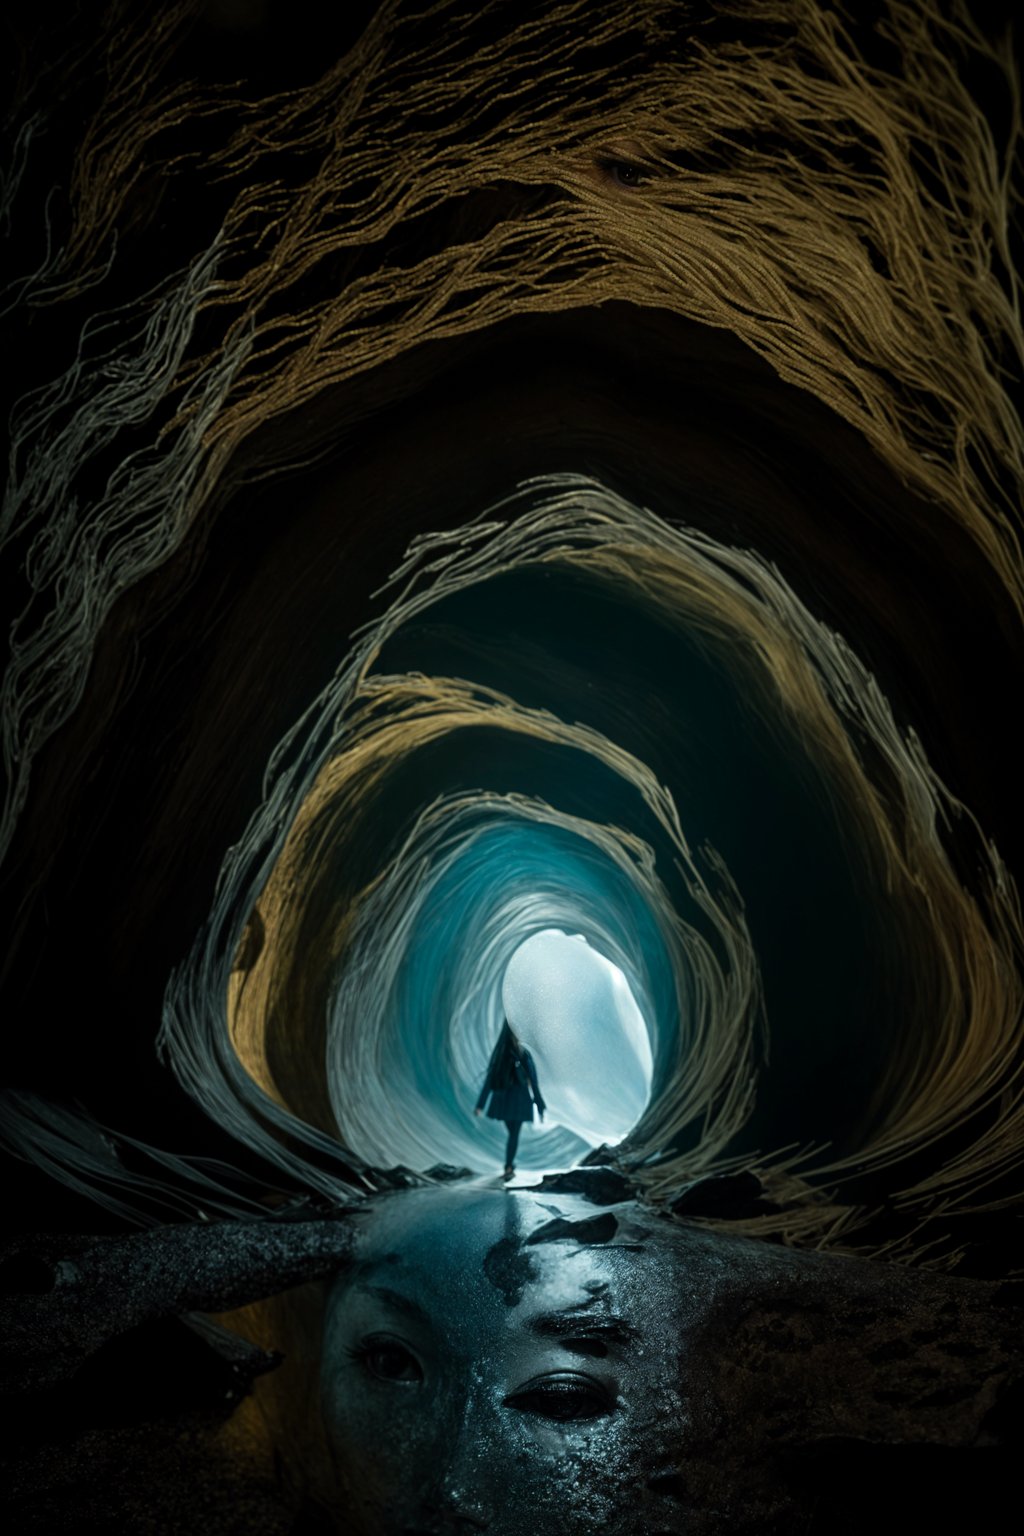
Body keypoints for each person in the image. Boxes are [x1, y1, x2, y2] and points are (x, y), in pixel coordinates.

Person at [474, 1018, 545, 1178]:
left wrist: (539, 1104)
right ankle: (508, 1166)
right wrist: (480, 1104)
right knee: (513, 1134)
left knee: (513, 1133)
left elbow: (533, 1081)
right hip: (512, 1099)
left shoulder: (513, 1053)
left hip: (511, 1100)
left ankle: (509, 1166)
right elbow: (491, 1080)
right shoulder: (513, 1053)